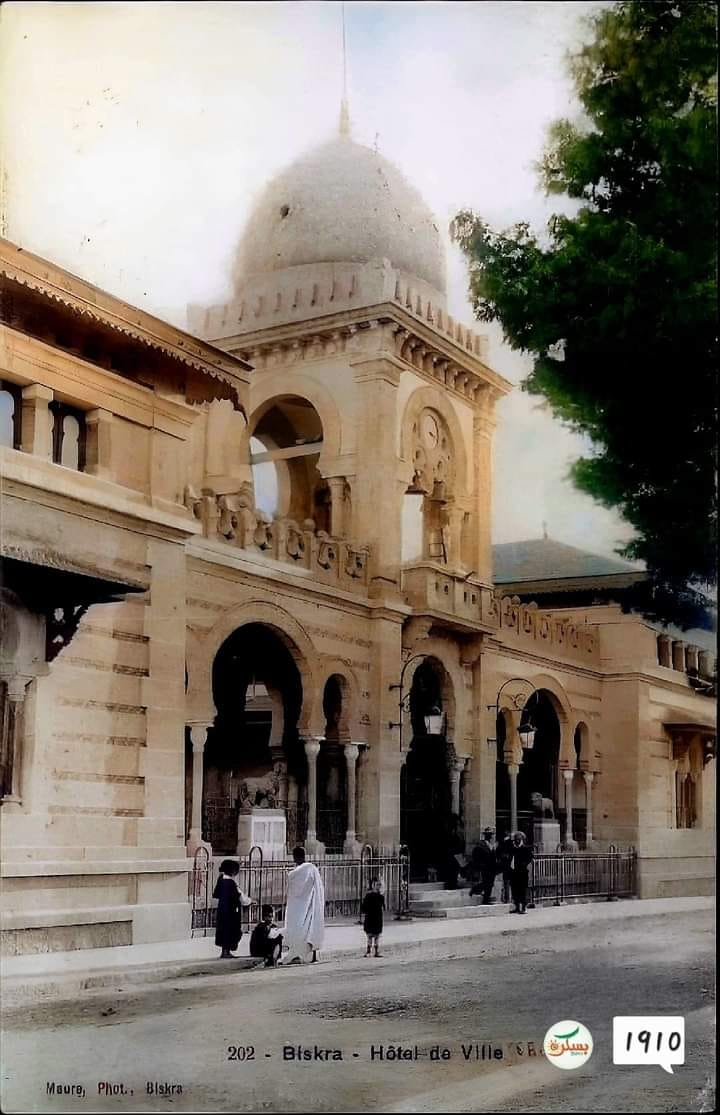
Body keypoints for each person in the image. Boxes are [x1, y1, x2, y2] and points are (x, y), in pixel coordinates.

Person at [282, 846, 325, 965]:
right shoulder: (312, 869)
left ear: (295, 857)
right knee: (311, 928)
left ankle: (297, 954)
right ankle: (310, 955)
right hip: (312, 904)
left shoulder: (296, 873)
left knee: (298, 928)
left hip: (298, 908)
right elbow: (318, 888)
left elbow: (294, 891)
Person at [213, 859, 251, 958]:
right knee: (233, 931)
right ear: (233, 871)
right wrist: (249, 901)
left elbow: (216, 895)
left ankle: (224, 951)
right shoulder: (231, 883)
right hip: (232, 912)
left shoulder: (220, 880)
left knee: (224, 930)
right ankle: (227, 951)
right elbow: (241, 897)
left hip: (222, 911)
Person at [469, 827, 498, 904]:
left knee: (490, 884)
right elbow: (476, 856)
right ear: (485, 835)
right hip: (485, 867)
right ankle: (476, 889)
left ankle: (486, 899)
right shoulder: (481, 845)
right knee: (486, 883)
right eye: (488, 834)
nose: (490, 836)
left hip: (492, 867)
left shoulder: (492, 845)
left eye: (491, 834)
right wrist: (479, 866)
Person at [509, 831, 533, 914]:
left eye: (518, 839)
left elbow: (529, 858)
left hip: (522, 873)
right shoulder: (513, 849)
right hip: (514, 872)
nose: (517, 841)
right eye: (515, 839)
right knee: (515, 890)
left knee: (522, 890)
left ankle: (523, 907)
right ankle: (516, 906)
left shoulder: (525, 848)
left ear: (521, 840)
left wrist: (524, 864)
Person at [361, 877, 385, 957]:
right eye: (378, 885)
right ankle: (369, 951)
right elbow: (364, 908)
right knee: (370, 936)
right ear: (374, 885)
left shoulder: (379, 896)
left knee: (376, 936)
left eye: (380, 885)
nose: (379, 887)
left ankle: (375, 951)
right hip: (371, 918)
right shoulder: (369, 896)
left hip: (376, 918)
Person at [497, 831, 514, 903]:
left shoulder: (503, 843)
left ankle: (507, 898)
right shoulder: (511, 843)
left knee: (506, 882)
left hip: (505, 865)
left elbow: (498, 853)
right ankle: (508, 898)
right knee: (507, 883)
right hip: (508, 865)